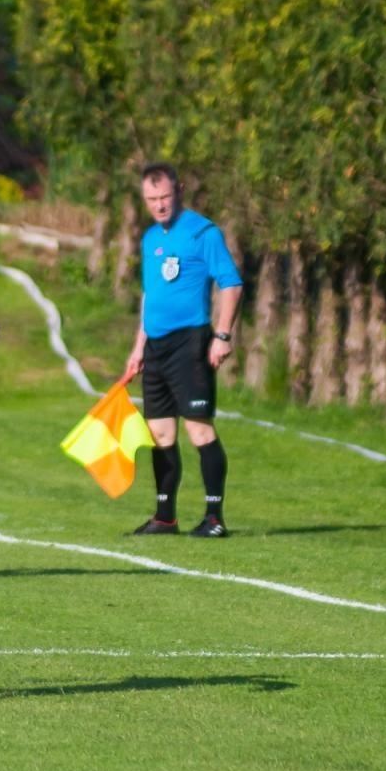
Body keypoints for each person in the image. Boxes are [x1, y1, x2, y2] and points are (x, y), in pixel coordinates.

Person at [119, 162, 243, 538]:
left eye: (165, 197)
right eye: (151, 199)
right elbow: (150, 295)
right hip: (155, 347)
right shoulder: (150, 239)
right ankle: (164, 517)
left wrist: (222, 335)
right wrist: (139, 347)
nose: (158, 205)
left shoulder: (203, 232)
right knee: (160, 434)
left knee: (199, 431)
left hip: (191, 343)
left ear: (180, 190)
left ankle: (214, 518)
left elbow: (232, 283)